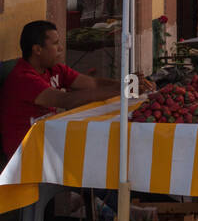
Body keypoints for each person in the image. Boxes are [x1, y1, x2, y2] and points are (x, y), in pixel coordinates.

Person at [0, 21, 120, 160]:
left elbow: (93, 83)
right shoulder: (23, 78)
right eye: (55, 44)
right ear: (37, 49)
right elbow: (67, 100)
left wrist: (125, 84)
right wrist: (123, 91)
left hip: (49, 139)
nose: (61, 48)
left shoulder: (55, 69)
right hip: (26, 152)